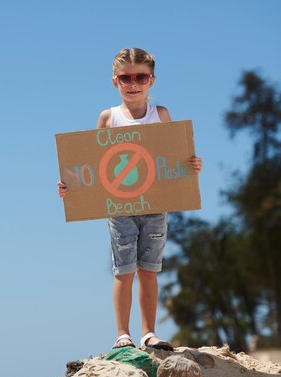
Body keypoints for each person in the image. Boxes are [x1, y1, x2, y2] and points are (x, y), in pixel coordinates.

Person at [57, 48, 203, 351]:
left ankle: (149, 332)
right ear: (115, 81)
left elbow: (172, 157)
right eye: (126, 77)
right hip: (119, 207)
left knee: (149, 270)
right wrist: (72, 188)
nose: (133, 83)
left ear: (152, 80)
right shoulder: (108, 117)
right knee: (123, 271)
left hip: (155, 206)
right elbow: (91, 166)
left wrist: (191, 166)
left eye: (140, 77)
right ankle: (122, 334)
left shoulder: (160, 115)